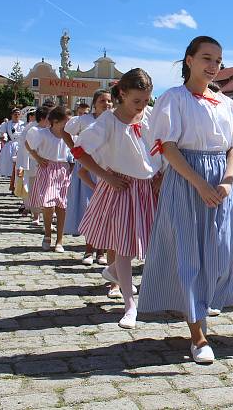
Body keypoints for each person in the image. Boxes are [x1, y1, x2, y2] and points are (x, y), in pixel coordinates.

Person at [138, 36, 233, 364]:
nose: (213, 66)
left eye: (218, 61)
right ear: (189, 60)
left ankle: (202, 305)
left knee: (217, 251)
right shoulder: (174, 99)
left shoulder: (226, 104)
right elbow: (168, 146)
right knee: (188, 254)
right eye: (206, 58)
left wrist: (227, 179)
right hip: (187, 179)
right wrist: (199, 183)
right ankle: (198, 335)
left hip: (220, 181)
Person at [74, 69, 161, 329]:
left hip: (148, 188)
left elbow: (162, 146)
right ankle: (129, 304)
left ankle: (112, 271)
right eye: (137, 101)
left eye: (146, 100)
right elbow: (80, 152)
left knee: (146, 243)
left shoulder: (150, 116)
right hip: (121, 186)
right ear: (122, 94)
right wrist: (105, 176)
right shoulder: (107, 123)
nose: (142, 106)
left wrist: (162, 174)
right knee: (124, 246)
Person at [62, 89, 113, 266]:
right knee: (89, 210)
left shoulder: (114, 119)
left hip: (107, 168)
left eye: (109, 101)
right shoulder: (84, 120)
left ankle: (102, 251)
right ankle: (89, 250)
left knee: (106, 213)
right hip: (88, 167)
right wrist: (75, 150)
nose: (106, 104)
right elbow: (64, 131)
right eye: (102, 101)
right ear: (94, 103)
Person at [26, 106, 73, 252]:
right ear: (56, 121)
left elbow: (74, 151)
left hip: (63, 170)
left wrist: (71, 164)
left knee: (62, 206)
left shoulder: (70, 136)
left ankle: (59, 239)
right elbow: (28, 145)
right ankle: (47, 234)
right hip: (47, 169)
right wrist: (38, 158)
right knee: (48, 203)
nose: (69, 126)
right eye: (66, 122)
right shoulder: (43, 134)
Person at [0, 109, 25, 192]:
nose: (17, 115)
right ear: (11, 115)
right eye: (15, 114)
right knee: (12, 167)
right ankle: (13, 186)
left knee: (20, 167)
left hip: (21, 146)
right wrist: (3, 141)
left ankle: (18, 187)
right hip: (11, 146)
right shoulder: (7, 124)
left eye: (18, 114)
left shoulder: (24, 124)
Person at [14, 110, 36, 213]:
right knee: (26, 182)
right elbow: (24, 146)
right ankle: (27, 205)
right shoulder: (29, 128)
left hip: (33, 159)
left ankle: (32, 206)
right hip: (28, 158)